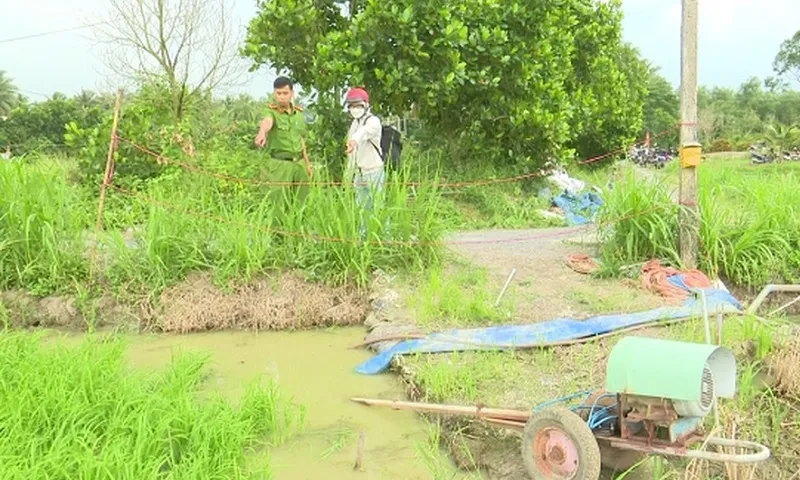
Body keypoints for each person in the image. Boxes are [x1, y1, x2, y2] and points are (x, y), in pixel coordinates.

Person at [254, 76, 313, 209]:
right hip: (280, 164)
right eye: (278, 93)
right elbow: (267, 122)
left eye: (285, 93)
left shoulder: (299, 114)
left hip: (299, 164)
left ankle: (299, 230)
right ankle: (278, 230)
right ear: (274, 94)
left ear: (292, 93)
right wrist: (262, 132)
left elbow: (301, 140)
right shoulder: (271, 112)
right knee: (279, 203)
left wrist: (307, 164)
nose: (281, 97)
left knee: (302, 203)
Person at [344, 87, 385, 239]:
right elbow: (352, 153)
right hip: (359, 173)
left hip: (373, 171)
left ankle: (382, 239)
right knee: (363, 208)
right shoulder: (354, 123)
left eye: (358, 105)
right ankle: (364, 239)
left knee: (378, 206)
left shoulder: (373, 121)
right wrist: (348, 176)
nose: (355, 109)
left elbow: (363, 133)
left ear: (366, 105)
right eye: (352, 106)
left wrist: (354, 140)